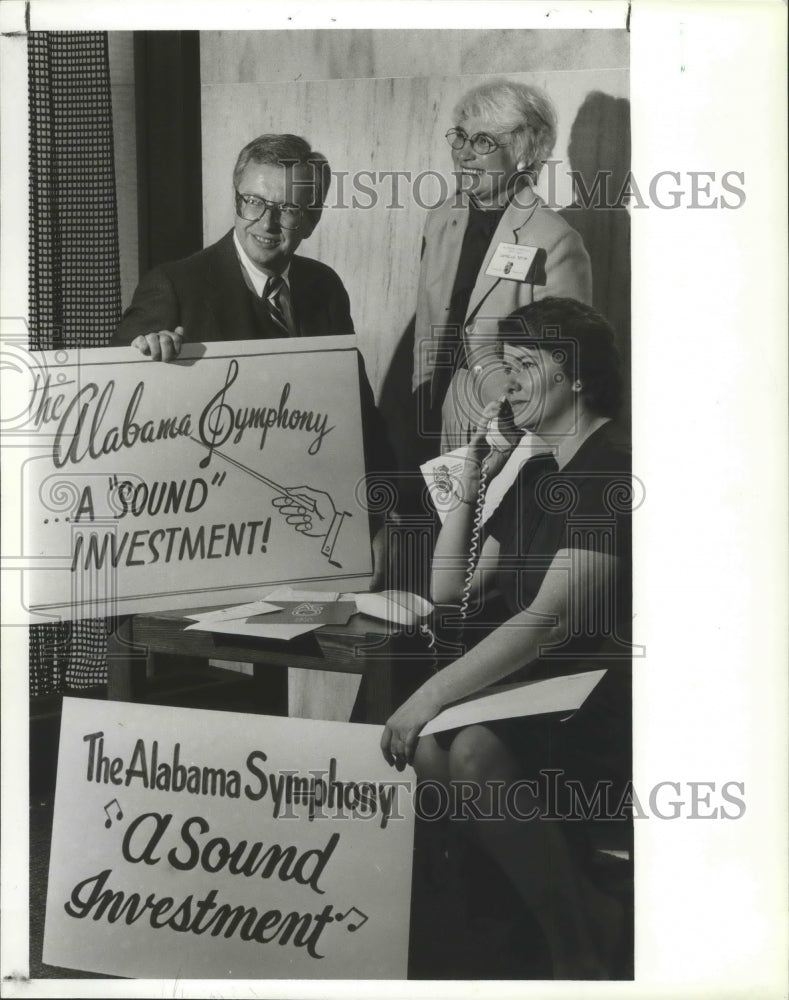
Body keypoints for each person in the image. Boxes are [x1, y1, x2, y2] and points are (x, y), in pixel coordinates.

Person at [384, 297, 632, 978]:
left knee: (467, 752)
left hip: (607, 697)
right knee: (435, 755)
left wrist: (424, 698)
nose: (510, 384)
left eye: (525, 366)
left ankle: (575, 940)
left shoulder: (608, 468)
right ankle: (549, 920)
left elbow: (548, 620)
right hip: (544, 689)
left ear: (576, 378)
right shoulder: (538, 474)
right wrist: (472, 483)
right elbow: (446, 593)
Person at [112, 133, 394, 584]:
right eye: (253, 202)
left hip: (305, 536)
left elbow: (358, 413)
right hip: (204, 540)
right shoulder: (174, 285)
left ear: (312, 218)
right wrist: (142, 362)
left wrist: (380, 521)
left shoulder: (326, 288)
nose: (267, 222)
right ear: (236, 200)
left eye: (288, 209)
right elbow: (115, 404)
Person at [411, 79, 593, 455]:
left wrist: (510, 438)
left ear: (523, 153)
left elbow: (562, 366)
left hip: (503, 435)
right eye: (460, 137)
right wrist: (420, 395)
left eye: (483, 142)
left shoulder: (554, 241)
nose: (463, 153)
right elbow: (430, 322)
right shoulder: (442, 219)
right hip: (432, 416)